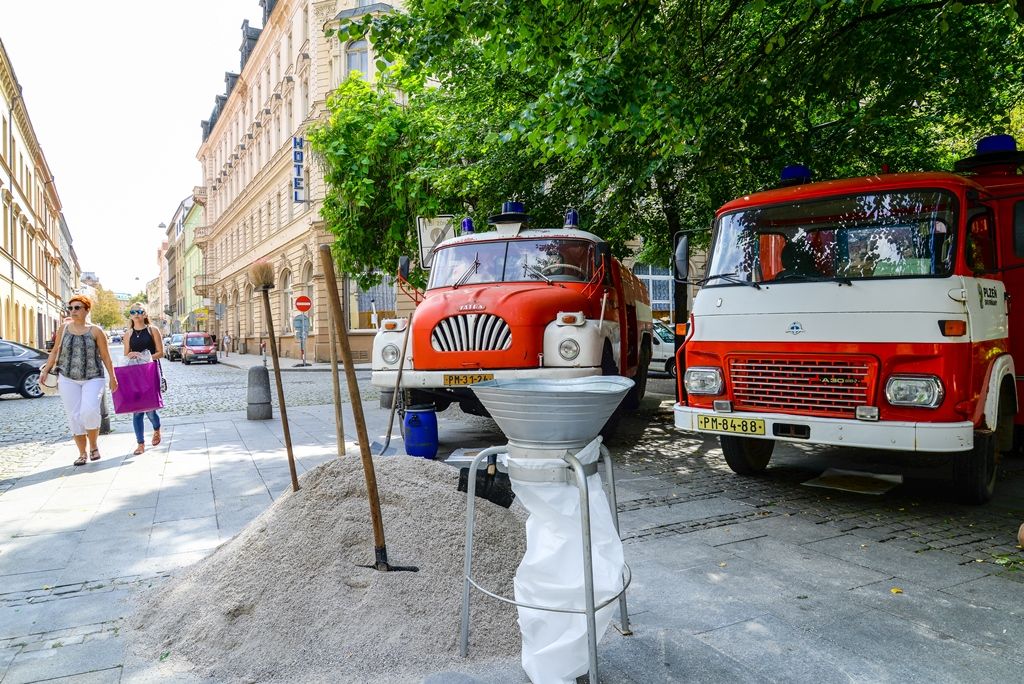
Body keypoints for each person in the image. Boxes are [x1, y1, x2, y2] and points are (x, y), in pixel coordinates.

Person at [39, 295, 118, 466]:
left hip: (93, 377)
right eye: (71, 308)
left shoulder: (96, 331)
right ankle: (82, 453)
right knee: (74, 416)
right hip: (67, 377)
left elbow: (105, 356)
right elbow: (54, 351)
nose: (73, 311)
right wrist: (46, 370)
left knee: (89, 411)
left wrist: (113, 377)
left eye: (77, 308)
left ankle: (94, 446)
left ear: (87, 310)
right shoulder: (64, 329)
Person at [124, 304, 165, 455]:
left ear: (145, 314)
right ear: (130, 315)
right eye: (133, 312)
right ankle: (140, 443)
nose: (136, 314)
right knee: (137, 411)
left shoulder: (152, 330)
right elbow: (125, 354)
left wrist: (145, 357)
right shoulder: (128, 334)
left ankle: (156, 429)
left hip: (150, 371)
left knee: (150, 410)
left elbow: (161, 353)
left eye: (139, 311)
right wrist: (130, 355)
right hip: (134, 373)